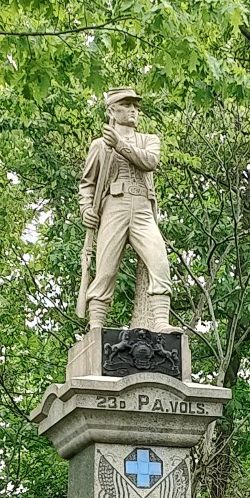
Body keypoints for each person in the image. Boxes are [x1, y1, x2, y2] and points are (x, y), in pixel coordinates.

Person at [79, 86, 173, 333]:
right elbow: (87, 183)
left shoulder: (148, 140)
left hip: (142, 208)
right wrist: (86, 209)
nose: (133, 110)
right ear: (112, 110)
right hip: (114, 207)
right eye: (126, 105)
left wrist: (119, 144)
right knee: (105, 269)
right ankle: (96, 326)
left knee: (159, 262)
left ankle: (161, 321)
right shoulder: (100, 145)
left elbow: (150, 161)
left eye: (135, 106)